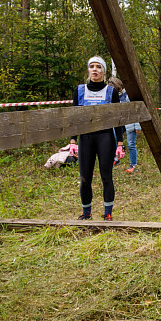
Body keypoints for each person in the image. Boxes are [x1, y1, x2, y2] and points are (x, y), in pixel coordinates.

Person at [68, 56, 125, 221]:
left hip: (105, 138)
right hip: (85, 138)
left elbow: (117, 120)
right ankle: (86, 213)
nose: (94, 69)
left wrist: (120, 144)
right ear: (88, 70)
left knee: (106, 177)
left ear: (104, 71)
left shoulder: (111, 91)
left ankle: (108, 213)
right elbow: (74, 118)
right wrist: (72, 141)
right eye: (91, 66)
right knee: (85, 178)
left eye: (98, 67)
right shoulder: (79, 90)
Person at [109, 76, 141, 173]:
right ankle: (116, 158)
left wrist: (138, 126)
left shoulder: (127, 95)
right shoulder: (113, 96)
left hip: (131, 123)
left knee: (131, 144)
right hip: (120, 123)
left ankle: (133, 165)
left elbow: (135, 111)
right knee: (114, 138)